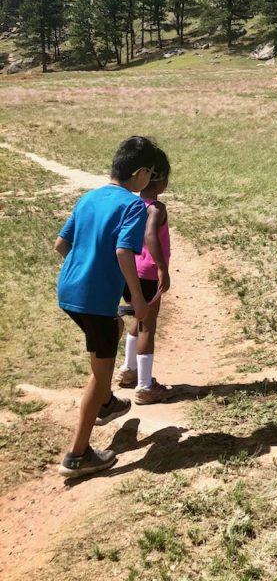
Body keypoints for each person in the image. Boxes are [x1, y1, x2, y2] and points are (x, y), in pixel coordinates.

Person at [55, 136, 164, 478]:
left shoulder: (89, 197)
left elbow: (62, 244)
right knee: (99, 375)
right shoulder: (132, 205)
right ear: (142, 173)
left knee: (111, 331)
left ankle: (106, 402)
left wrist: (85, 269)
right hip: (95, 300)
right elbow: (122, 252)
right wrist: (138, 299)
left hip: (68, 293)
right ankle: (77, 455)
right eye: (152, 174)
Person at [117, 147, 173, 403]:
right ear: (160, 180)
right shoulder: (156, 208)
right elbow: (151, 235)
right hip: (149, 274)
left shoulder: (132, 203)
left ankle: (128, 370)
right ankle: (145, 385)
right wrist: (162, 267)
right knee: (147, 326)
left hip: (128, 272)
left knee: (137, 319)